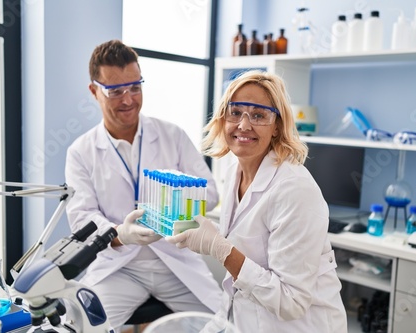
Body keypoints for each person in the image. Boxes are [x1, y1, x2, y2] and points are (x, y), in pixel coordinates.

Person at [167, 70, 348, 332]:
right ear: (222, 118)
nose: (243, 125)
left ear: (277, 126)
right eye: (236, 112)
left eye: (259, 115)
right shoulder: (234, 172)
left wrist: (222, 249)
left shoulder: (294, 189)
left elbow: (290, 302)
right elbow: (240, 279)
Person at [64, 39, 222, 330]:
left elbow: (210, 194)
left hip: (175, 260)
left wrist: (167, 215)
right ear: (94, 91)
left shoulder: (172, 135)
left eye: (135, 87)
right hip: (119, 266)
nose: (128, 100)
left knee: (224, 324)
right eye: (115, 91)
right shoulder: (81, 151)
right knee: (80, 326)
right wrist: (121, 233)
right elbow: (81, 218)